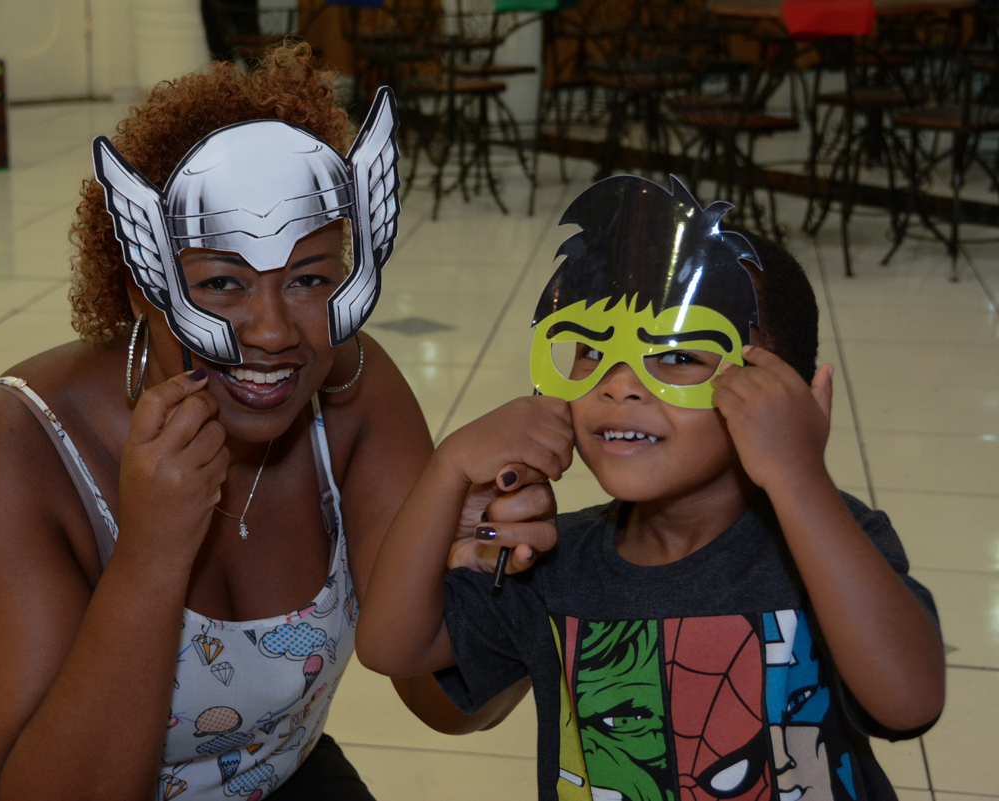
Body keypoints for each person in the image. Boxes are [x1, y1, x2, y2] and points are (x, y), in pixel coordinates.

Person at [0, 44, 543, 801]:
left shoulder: (352, 394)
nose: (274, 331)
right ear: (141, 283)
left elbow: (440, 695)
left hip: (265, 774)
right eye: (221, 284)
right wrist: (150, 555)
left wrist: (496, 584)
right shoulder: (10, 445)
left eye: (309, 279)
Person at [357, 175, 946, 801]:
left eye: (680, 355)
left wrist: (801, 476)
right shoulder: (553, 563)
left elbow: (909, 703)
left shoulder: (827, 545)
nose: (620, 384)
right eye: (590, 349)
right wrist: (448, 469)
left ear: (793, 398)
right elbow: (391, 646)